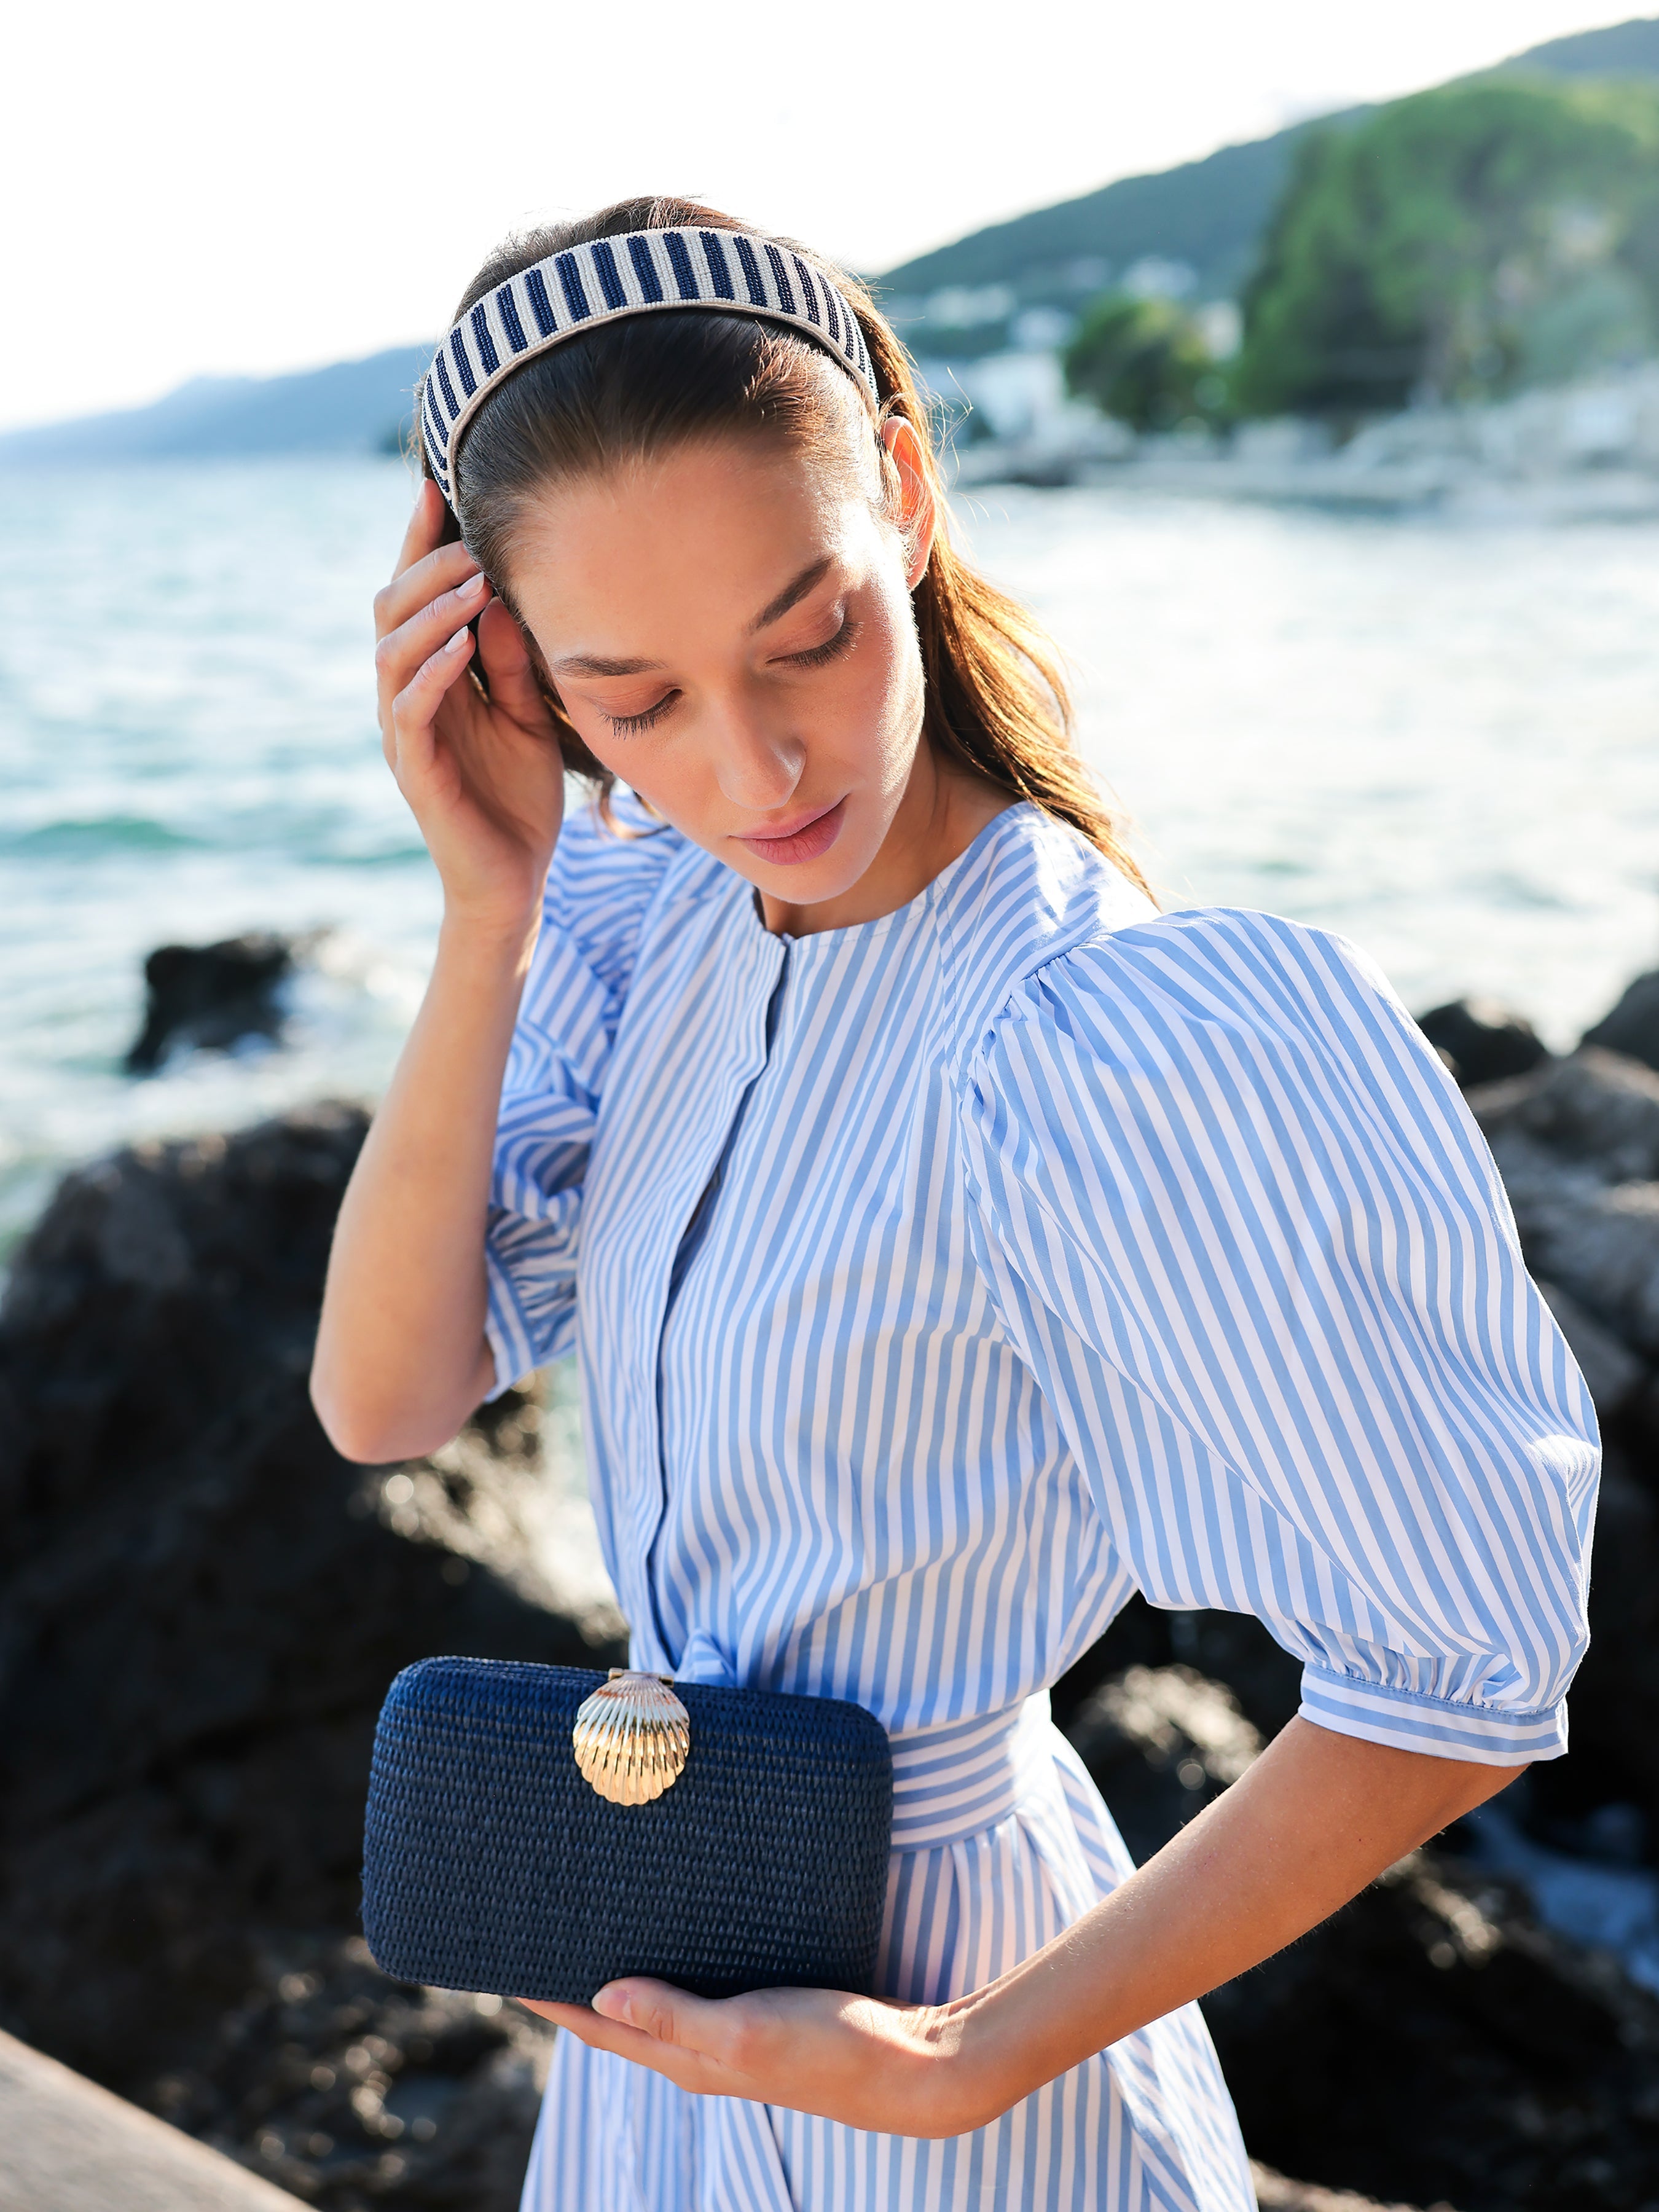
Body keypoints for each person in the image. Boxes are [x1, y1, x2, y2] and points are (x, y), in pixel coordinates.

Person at [311, 197, 1599, 2211]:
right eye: (631, 700)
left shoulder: (1103, 1033)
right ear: (525, 677)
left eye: (803, 634)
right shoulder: (638, 923)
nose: (750, 767)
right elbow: (387, 1403)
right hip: (653, 2038)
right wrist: (492, 901)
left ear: (902, 495)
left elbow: (1462, 1669)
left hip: (960, 2054)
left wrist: (970, 2058)